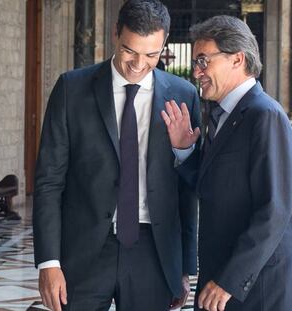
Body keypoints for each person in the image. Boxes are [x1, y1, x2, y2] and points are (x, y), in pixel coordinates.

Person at [33, 1, 201, 310]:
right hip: (83, 253)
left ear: (163, 44)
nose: (138, 64)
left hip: (153, 252)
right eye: (129, 51)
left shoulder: (184, 95)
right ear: (115, 34)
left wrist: (185, 267)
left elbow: (187, 192)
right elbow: (49, 181)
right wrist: (48, 262)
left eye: (151, 54)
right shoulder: (71, 89)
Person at [161, 15, 292, 311]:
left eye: (204, 61)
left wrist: (229, 281)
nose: (196, 71)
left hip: (263, 287)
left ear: (237, 59)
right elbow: (217, 187)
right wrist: (183, 151)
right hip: (227, 277)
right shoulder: (224, 115)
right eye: (196, 62)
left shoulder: (264, 115)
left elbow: (274, 211)